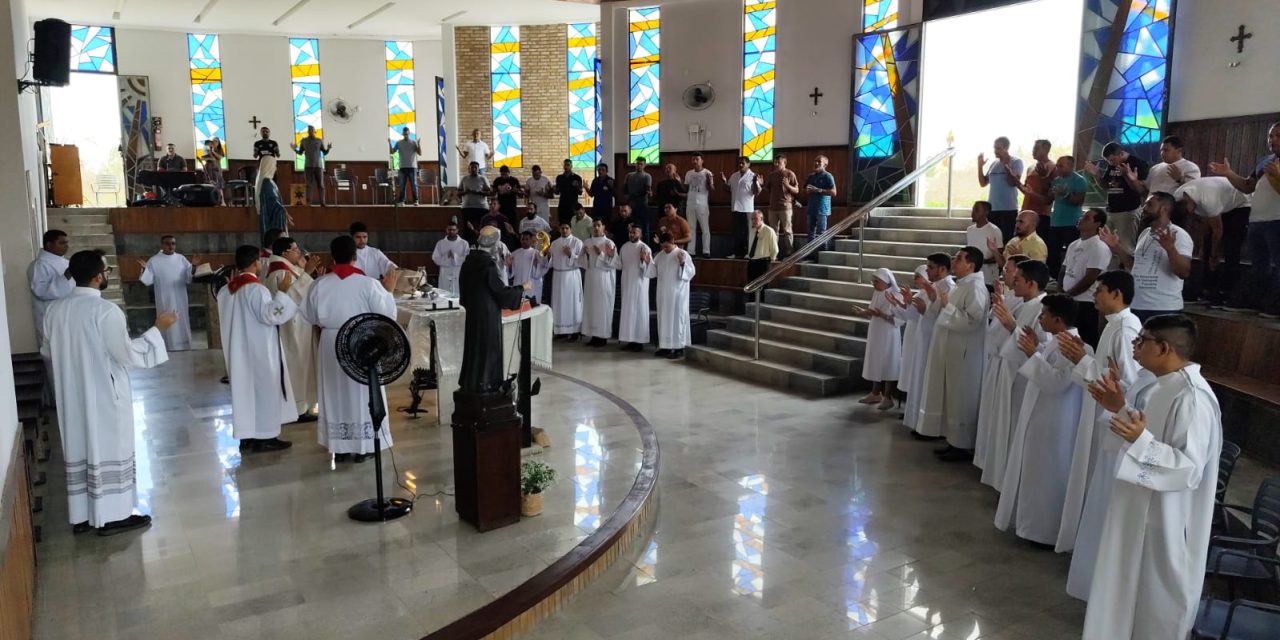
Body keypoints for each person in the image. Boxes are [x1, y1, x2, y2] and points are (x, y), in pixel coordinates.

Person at [1081, 314, 1221, 640]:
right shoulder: (1164, 386)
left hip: (1167, 523)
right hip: (1140, 510)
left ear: (1163, 347)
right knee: (1129, 594)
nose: (1135, 346)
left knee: (1155, 607)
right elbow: (1146, 434)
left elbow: (1189, 469)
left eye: (1141, 340)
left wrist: (1140, 440)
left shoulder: (1193, 398)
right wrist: (1119, 407)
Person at [43, 250, 174, 536]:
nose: (107, 275)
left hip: (72, 394)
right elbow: (125, 354)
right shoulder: (105, 311)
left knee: (81, 446)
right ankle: (113, 516)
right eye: (106, 271)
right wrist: (156, 330)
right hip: (103, 393)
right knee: (109, 447)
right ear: (98, 276)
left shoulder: (54, 310)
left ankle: (83, 515)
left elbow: (47, 352)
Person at [1057, 271, 1141, 583]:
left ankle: (1095, 556)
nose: (1094, 297)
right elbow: (1108, 372)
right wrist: (1086, 358)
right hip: (1101, 411)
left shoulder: (1125, 330)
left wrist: (1083, 359)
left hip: (1113, 419)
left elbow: (1128, 385)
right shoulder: (1114, 325)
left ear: (1117, 294)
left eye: (1100, 291)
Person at [994, 293, 1089, 546]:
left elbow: (1057, 383)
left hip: (1055, 422)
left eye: (1044, 314)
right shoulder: (1055, 342)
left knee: (1047, 474)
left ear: (1058, 320)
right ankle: (1029, 526)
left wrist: (1032, 354)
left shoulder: (1077, 347)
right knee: (1033, 472)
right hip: (1039, 416)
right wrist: (1036, 350)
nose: (1040, 318)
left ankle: (1043, 532)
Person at [300, 236, 399, 462]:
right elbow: (386, 316)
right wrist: (389, 291)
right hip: (360, 342)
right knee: (361, 392)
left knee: (335, 394)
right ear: (355, 257)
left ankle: (341, 447)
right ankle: (364, 446)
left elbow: (308, 315)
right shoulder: (369, 284)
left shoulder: (319, 284)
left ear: (332, 256)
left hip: (329, 342)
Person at [218, 244, 299, 452]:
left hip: (238, 352)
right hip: (260, 351)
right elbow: (270, 315)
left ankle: (247, 437)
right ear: (256, 263)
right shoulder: (257, 289)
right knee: (265, 392)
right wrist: (282, 293)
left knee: (245, 393)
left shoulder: (227, 291)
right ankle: (266, 436)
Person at [974, 257, 1045, 490]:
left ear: (1032, 283)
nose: (1013, 282)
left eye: (1018, 279)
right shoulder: (1027, 304)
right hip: (1008, 372)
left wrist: (1012, 326)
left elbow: (1042, 347)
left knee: (1014, 428)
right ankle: (1001, 475)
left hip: (1023, 379)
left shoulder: (1041, 310)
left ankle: (1010, 482)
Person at [916, 246, 989, 461]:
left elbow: (973, 321)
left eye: (958, 259)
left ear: (970, 265)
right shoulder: (963, 284)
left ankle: (962, 444)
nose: (954, 262)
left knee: (961, 398)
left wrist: (947, 307)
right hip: (952, 350)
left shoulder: (975, 287)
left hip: (964, 354)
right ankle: (953, 440)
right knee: (952, 397)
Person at [1210, 123, 1280, 318]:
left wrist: (1278, 174)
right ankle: (1255, 303)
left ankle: (1276, 307)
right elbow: (1248, 186)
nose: (1272, 139)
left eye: (1278, 135)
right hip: (1258, 220)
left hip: (1278, 220)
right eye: (1270, 136)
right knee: (1259, 265)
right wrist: (1229, 173)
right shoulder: (1266, 160)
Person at [1100, 191, 1191, 321]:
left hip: (1163, 309)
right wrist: (1115, 246)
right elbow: (1133, 266)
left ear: (1163, 209)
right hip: (1136, 305)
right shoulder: (1145, 234)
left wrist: (1170, 249)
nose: (1144, 208)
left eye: (1149, 205)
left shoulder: (1179, 235)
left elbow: (1184, 272)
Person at [459, 227, 529, 393]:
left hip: (474, 313)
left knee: (474, 348)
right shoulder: (488, 264)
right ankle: (487, 382)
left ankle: (472, 381)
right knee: (488, 348)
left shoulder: (468, 262)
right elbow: (500, 292)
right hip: (488, 314)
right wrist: (521, 288)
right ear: (493, 244)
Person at [265, 237, 321, 421]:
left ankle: (302, 406)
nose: (299, 252)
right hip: (292, 327)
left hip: (300, 325)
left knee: (301, 365)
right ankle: (296, 409)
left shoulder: (286, 268)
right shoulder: (279, 272)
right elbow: (290, 297)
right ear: (284, 253)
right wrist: (307, 273)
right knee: (295, 366)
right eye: (296, 249)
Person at [1174, 177, 1251, 308]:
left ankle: (1228, 293)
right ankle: (1207, 289)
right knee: (1207, 248)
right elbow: (1201, 224)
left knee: (1231, 247)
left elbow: (1217, 230)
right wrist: (1202, 248)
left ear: (1189, 202)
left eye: (1190, 211)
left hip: (1241, 204)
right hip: (1221, 201)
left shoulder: (1208, 200)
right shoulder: (1178, 196)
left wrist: (1214, 255)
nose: (1191, 214)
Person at [898, 254, 954, 433]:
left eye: (931, 267)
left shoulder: (949, 288)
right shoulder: (930, 287)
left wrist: (927, 309)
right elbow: (915, 316)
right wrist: (909, 303)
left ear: (942, 269)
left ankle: (929, 427)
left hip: (934, 341)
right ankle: (918, 421)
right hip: (923, 339)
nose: (927, 270)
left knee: (929, 382)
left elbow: (948, 318)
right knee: (919, 379)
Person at [1083, 142, 1150, 265]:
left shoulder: (1137, 163)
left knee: (1125, 247)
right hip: (1112, 210)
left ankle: (1124, 277)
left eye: (1112, 160)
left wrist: (1126, 175)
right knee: (1107, 245)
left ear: (1121, 153)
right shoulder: (1112, 164)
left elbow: (1140, 190)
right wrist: (1096, 175)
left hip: (1128, 211)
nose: (1111, 163)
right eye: (1108, 161)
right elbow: (1106, 186)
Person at [137, 235, 201, 352]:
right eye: (167, 243)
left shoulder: (181, 258)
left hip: (180, 297)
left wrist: (194, 266)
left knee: (181, 320)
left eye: (173, 244)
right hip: (164, 298)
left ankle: (184, 345)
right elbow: (147, 280)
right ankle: (167, 347)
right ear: (162, 245)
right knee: (166, 320)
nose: (171, 246)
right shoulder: (154, 260)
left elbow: (188, 277)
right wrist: (144, 269)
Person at [852, 268, 902, 410]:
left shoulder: (896, 295)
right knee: (875, 360)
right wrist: (863, 312)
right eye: (873, 281)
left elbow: (900, 319)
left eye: (877, 281)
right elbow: (874, 311)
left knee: (888, 361)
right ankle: (875, 393)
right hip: (876, 331)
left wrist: (883, 316)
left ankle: (888, 396)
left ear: (886, 282)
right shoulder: (877, 292)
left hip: (889, 333)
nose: (874, 284)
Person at [1061, 208, 1112, 347]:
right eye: (1083, 216)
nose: (1081, 219)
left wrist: (1069, 294)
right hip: (1069, 298)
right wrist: (1062, 291)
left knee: (1085, 341)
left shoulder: (1099, 246)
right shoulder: (1073, 244)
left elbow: (1090, 278)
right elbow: (1064, 270)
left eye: (1087, 218)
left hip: (1085, 302)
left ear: (1098, 224)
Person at [650, 232, 696, 359]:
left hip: (678, 295)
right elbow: (652, 272)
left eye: (667, 246)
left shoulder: (682, 254)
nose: (665, 249)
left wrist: (682, 264)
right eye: (663, 246)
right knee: (664, 320)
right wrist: (647, 261)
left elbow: (691, 272)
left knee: (677, 321)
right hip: (663, 295)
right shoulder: (660, 256)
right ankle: (665, 347)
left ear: (673, 242)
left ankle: (679, 348)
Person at [29, 229, 74, 350]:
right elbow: (40, 292)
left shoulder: (66, 262)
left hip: (68, 314)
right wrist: (65, 277)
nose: (66, 246)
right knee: (55, 353)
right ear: (49, 244)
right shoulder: (39, 265)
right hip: (50, 317)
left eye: (67, 243)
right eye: (62, 243)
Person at [1045, 155, 1089, 275]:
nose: (1057, 168)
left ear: (1070, 166)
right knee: (1053, 252)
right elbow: (1048, 200)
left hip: (1072, 223)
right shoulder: (1056, 180)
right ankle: (1054, 277)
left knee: (1073, 252)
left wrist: (1065, 194)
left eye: (1061, 166)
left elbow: (1078, 201)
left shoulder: (1079, 180)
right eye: (1057, 165)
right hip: (1056, 223)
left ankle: (1073, 275)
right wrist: (1047, 184)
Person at [580, 219, 619, 347]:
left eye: (598, 225)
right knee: (591, 305)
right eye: (594, 226)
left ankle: (602, 336)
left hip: (603, 277)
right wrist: (585, 255)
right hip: (591, 276)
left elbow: (615, 263)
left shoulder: (609, 243)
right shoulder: (587, 242)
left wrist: (600, 254)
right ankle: (593, 335)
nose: (596, 228)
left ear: (603, 227)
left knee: (602, 306)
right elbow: (581, 263)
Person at [978, 137, 1025, 241]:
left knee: (1007, 239)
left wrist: (1006, 166)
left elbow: (1013, 183)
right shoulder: (994, 164)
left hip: (1008, 209)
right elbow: (983, 183)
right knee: (993, 240)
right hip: (993, 209)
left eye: (998, 148)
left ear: (1006, 148)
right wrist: (980, 166)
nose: (995, 151)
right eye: (994, 148)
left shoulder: (1016, 162)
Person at [617, 224, 653, 352]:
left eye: (635, 232)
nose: (632, 235)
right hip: (627, 283)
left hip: (639, 284)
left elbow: (650, 270)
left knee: (639, 311)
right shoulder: (625, 247)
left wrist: (644, 260)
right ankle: (630, 339)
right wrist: (610, 255)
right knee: (628, 312)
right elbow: (619, 264)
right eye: (631, 232)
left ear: (640, 234)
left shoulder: (645, 248)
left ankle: (639, 341)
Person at [549, 222, 584, 341]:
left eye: (566, 228)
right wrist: (548, 257)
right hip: (558, 275)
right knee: (559, 303)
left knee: (573, 303)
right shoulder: (554, 243)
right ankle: (561, 331)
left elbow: (582, 261)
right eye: (562, 228)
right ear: (559, 229)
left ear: (571, 229)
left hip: (572, 275)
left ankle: (575, 331)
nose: (564, 230)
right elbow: (550, 262)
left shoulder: (577, 242)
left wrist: (571, 255)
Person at [723, 156, 760, 258]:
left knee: (748, 232)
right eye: (739, 163)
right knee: (737, 232)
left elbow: (756, 192)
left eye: (743, 163)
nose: (740, 165)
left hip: (747, 209)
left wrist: (754, 182)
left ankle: (749, 253)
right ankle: (737, 253)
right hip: (735, 208)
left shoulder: (753, 176)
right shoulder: (734, 175)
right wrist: (724, 182)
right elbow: (728, 189)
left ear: (748, 164)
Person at [763, 154, 800, 258]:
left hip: (785, 207)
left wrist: (788, 186)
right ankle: (774, 253)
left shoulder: (789, 173)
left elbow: (797, 190)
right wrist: (761, 184)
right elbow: (767, 189)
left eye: (778, 162)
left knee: (787, 230)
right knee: (773, 231)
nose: (776, 164)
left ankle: (790, 252)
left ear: (784, 163)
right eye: (775, 162)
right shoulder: (771, 175)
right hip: (772, 207)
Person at [1016, 140, 1054, 229]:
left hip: (1041, 215)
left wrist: (1043, 177)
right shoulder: (1030, 168)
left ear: (1046, 150)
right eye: (1033, 148)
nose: (1033, 151)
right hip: (1025, 212)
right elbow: (1026, 191)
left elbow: (1049, 196)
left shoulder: (1052, 167)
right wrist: (1016, 181)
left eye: (1036, 148)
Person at [804, 155, 837, 255]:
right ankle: (810, 254)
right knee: (810, 232)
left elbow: (834, 192)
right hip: (811, 208)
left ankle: (823, 254)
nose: (816, 163)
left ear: (825, 164)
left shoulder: (828, 176)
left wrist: (818, 190)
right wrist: (807, 190)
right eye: (815, 161)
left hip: (822, 208)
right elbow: (804, 189)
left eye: (819, 161)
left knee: (821, 232)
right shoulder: (811, 176)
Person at [683, 153, 714, 257]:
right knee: (691, 228)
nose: (695, 161)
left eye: (697, 159)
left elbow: (712, 189)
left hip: (702, 205)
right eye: (693, 159)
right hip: (690, 203)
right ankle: (691, 251)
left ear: (702, 160)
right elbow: (685, 189)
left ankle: (706, 251)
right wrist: (679, 181)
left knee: (705, 228)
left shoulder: (707, 173)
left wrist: (710, 182)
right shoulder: (688, 173)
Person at [293, 125, 332, 206]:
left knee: (321, 185)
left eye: (311, 129)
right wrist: (294, 149)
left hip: (318, 166)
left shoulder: (319, 140)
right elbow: (300, 153)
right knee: (308, 185)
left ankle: (322, 202)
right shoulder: (303, 141)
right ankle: (308, 203)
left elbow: (324, 152)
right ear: (307, 131)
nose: (310, 131)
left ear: (315, 131)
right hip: (308, 166)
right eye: (309, 130)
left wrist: (328, 149)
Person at [965, 201, 1003, 283]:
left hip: (988, 275)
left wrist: (981, 261)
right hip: (972, 273)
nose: (973, 213)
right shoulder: (970, 229)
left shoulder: (994, 230)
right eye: (973, 210)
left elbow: (999, 253)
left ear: (986, 212)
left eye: (976, 210)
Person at [255, 155, 292, 240]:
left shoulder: (265, 181)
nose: (275, 168)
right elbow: (273, 203)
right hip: (272, 223)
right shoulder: (267, 183)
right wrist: (282, 210)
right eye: (274, 165)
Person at [509, 230, 549, 303]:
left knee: (532, 308)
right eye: (522, 239)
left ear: (531, 240)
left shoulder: (537, 254)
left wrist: (536, 265)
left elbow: (544, 268)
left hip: (532, 285)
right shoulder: (515, 254)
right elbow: (511, 274)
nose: (524, 241)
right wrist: (510, 265)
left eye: (527, 239)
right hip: (519, 284)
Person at [432, 222, 468, 297]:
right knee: (444, 292)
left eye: (453, 230)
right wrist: (446, 256)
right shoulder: (441, 243)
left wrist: (455, 256)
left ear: (457, 230)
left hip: (458, 270)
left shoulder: (463, 243)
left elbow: (467, 258)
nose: (451, 231)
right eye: (449, 229)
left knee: (458, 291)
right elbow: (435, 258)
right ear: (446, 230)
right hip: (445, 271)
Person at [459, 161, 491, 239]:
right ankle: (468, 245)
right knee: (467, 228)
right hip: (467, 207)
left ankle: (482, 245)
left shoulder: (483, 178)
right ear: (469, 169)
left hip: (481, 208)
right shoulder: (464, 178)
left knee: (482, 228)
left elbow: (489, 192)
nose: (473, 169)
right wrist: (465, 192)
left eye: (475, 167)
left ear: (478, 169)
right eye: (472, 167)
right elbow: (458, 192)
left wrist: (479, 192)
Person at [623, 157, 653, 240]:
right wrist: (627, 196)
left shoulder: (647, 176)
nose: (639, 166)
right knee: (630, 227)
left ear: (644, 165)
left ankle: (646, 247)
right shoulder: (629, 175)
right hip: (631, 206)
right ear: (635, 164)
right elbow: (625, 189)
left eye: (641, 164)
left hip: (642, 205)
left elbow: (647, 189)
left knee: (644, 228)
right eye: (637, 164)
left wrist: (633, 195)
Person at [745, 210, 779, 283]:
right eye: (752, 219)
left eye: (756, 219)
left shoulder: (769, 231)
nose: (753, 221)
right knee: (751, 288)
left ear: (761, 218)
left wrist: (770, 261)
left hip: (763, 263)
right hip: (751, 262)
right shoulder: (752, 231)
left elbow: (775, 249)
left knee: (764, 288)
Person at [391, 127, 421, 204]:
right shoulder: (399, 143)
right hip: (402, 167)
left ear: (409, 133)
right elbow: (392, 152)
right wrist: (389, 143)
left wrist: (419, 144)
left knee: (414, 184)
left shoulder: (413, 143)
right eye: (404, 134)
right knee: (402, 185)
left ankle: (416, 200)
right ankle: (402, 201)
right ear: (403, 134)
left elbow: (420, 153)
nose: (406, 136)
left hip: (412, 167)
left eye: (407, 134)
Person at [554, 159, 584, 225]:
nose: (566, 166)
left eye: (568, 165)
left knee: (574, 224)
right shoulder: (559, 177)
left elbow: (580, 192)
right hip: (562, 204)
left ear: (571, 166)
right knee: (563, 224)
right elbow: (557, 192)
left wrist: (578, 187)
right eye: (565, 165)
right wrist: (553, 189)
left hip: (573, 205)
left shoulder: (577, 177)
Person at [201, 138, 224, 204]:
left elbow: (220, 157)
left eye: (216, 141)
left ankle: (222, 201)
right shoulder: (208, 149)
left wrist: (213, 152)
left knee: (219, 185)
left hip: (217, 168)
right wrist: (210, 158)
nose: (214, 142)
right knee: (209, 183)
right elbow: (202, 158)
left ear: (218, 142)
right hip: (209, 168)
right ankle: (210, 201)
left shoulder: (219, 149)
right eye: (213, 141)